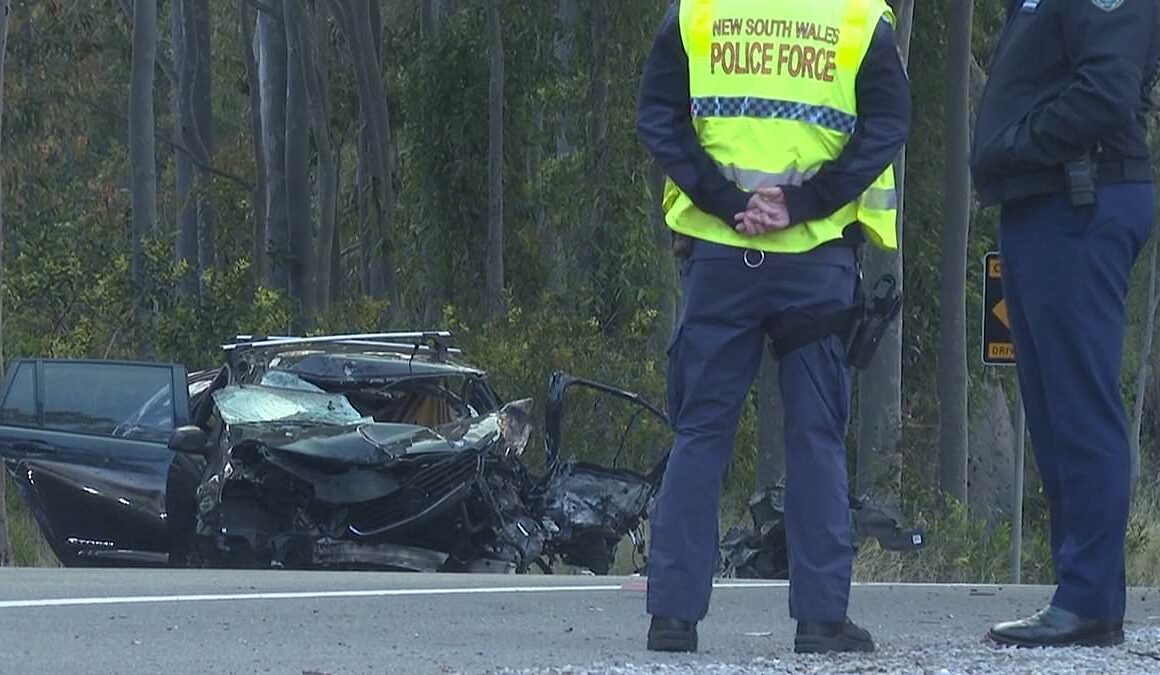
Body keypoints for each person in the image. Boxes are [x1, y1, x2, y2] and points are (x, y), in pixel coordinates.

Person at [635, 0, 910, 655]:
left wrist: (727, 202)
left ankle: (673, 617)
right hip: (813, 260)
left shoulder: (698, 14)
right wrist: (803, 201)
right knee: (815, 435)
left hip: (720, 257)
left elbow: (658, 116)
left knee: (700, 431)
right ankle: (820, 619)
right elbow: (888, 125)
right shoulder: (858, 19)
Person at [970, 0, 1160, 649]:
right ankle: (1083, 597)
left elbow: (1106, 91)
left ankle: (1086, 599)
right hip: (1045, 200)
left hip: (1080, 196)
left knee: (1079, 407)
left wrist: (1012, 145)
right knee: (1055, 414)